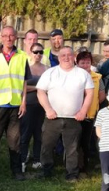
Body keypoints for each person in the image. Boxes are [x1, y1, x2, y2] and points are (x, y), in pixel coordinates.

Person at [0, 25, 31, 181]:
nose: (8, 38)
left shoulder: (22, 56)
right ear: (1, 37)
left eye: (11, 35)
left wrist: (23, 102)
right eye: (5, 35)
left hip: (15, 106)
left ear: (15, 37)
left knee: (15, 141)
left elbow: (24, 81)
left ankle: (16, 171)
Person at [36, 46, 94, 181]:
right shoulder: (50, 73)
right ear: (58, 58)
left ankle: (72, 174)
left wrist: (83, 111)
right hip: (52, 117)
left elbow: (90, 93)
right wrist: (48, 109)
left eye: (69, 55)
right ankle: (46, 171)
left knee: (72, 148)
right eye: (63, 55)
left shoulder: (82, 74)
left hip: (74, 118)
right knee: (47, 145)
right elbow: (40, 92)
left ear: (74, 56)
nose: (66, 58)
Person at [75, 50, 105, 175]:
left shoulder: (97, 78)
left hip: (90, 115)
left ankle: (84, 167)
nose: (85, 65)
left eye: (87, 62)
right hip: (74, 114)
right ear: (77, 63)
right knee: (74, 141)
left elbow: (101, 96)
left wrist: (92, 104)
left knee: (85, 141)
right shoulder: (72, 75)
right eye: (82, 63)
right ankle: (73, 166)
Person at [20, 42, 47, 172]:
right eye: (35, 52)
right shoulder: (26, 68)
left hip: (42, 106)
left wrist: (36, 89)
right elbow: (21, 87)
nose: (38, 55)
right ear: (30, 53)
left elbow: (50, 87)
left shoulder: (47, 69)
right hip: (28, 105)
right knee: (25, 133)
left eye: (40, 52)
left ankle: (37, 160)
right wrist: (38, 88)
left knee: (39, 134)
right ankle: (23, 160)